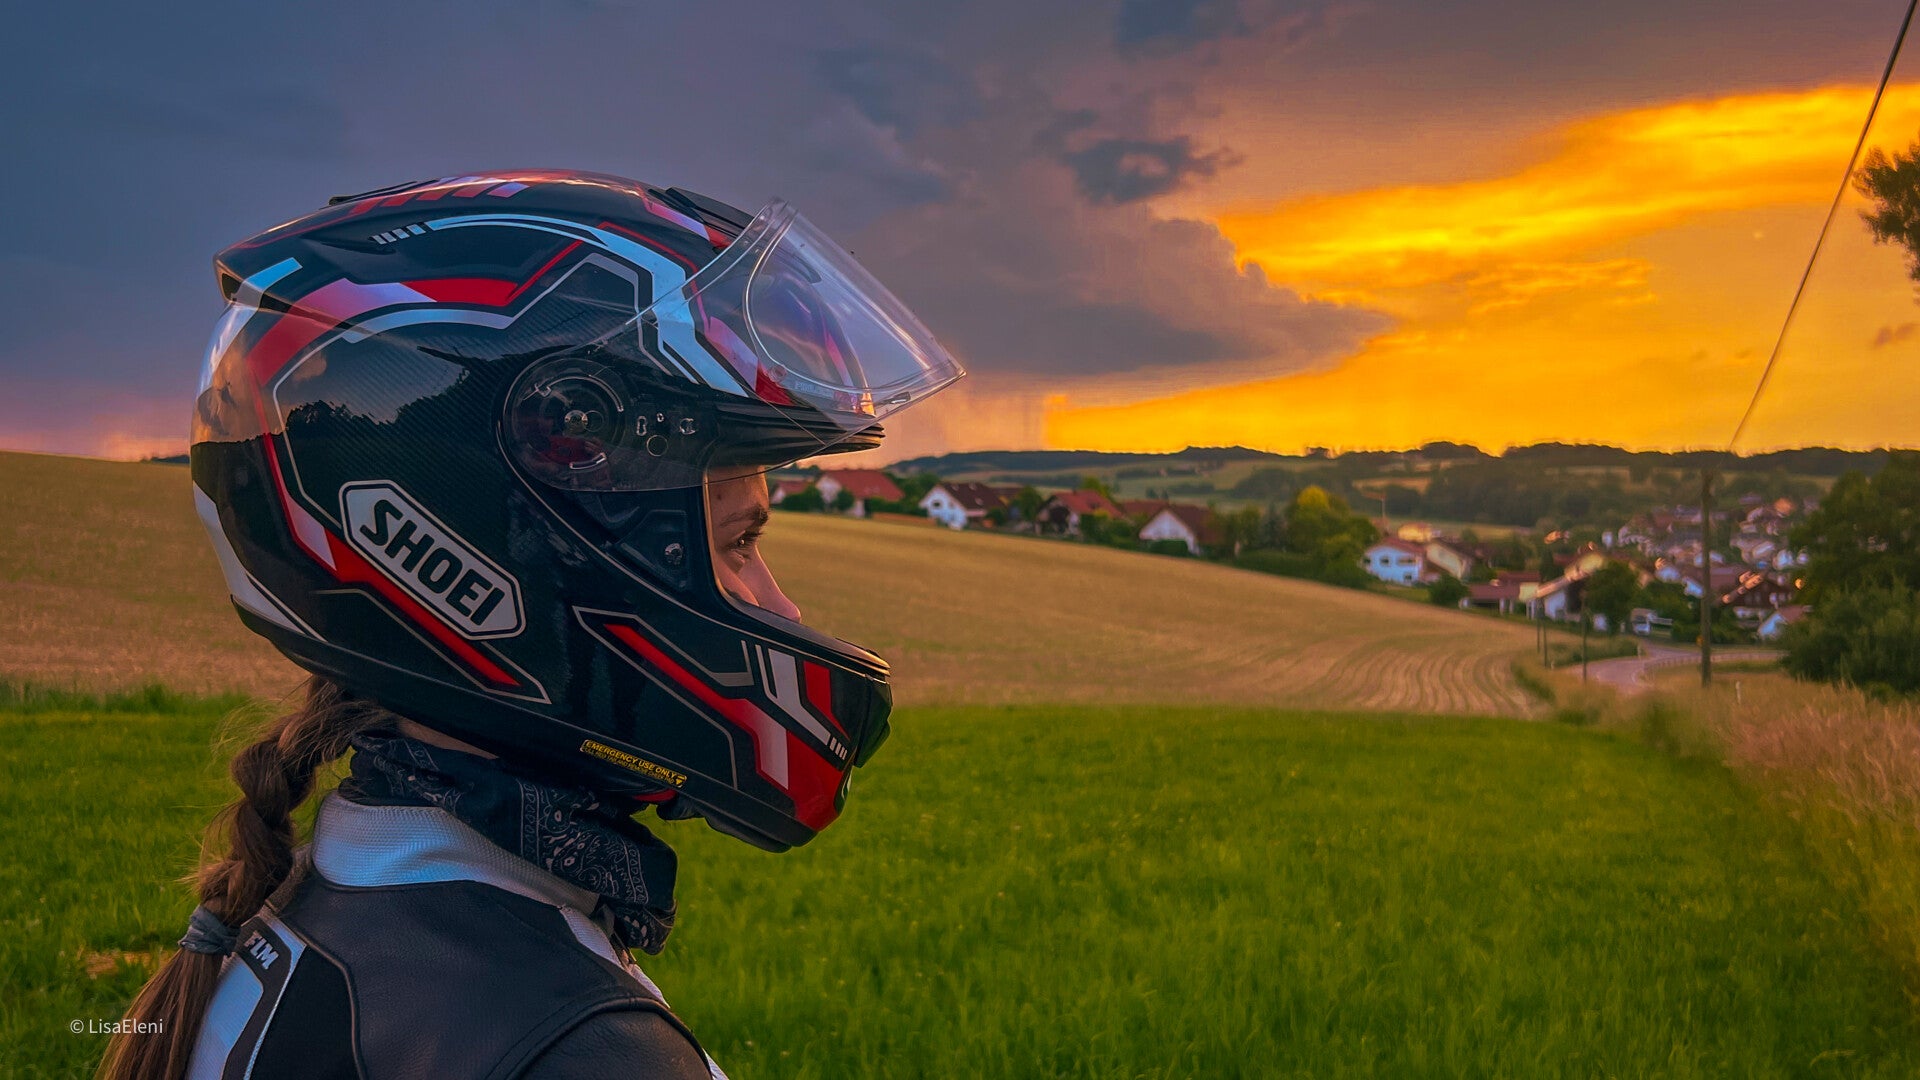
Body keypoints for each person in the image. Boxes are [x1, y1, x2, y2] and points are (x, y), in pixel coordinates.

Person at [100, 171, 963, 1080]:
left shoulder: (286, 932)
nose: (781, 608)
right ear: (530, 550)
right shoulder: (579, 1050)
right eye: (737, 543)